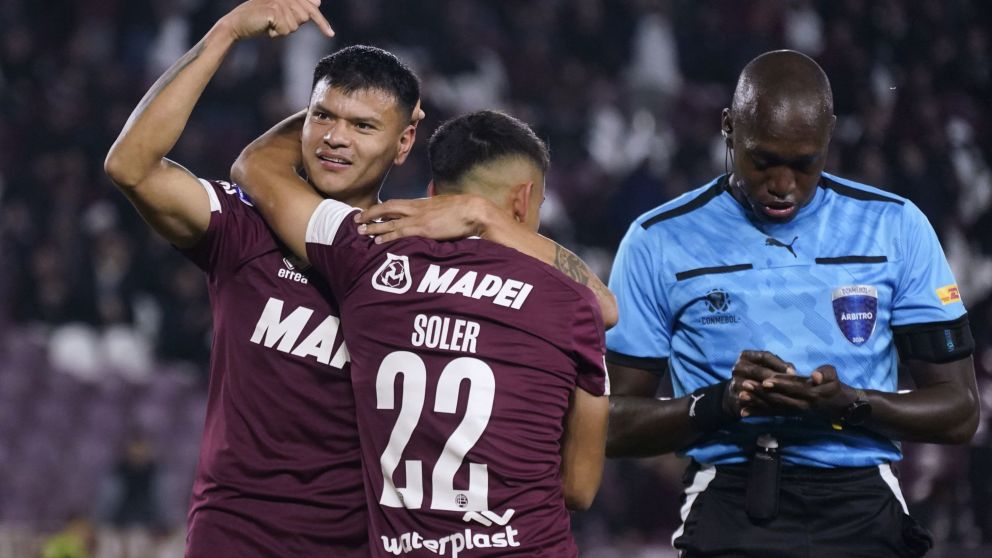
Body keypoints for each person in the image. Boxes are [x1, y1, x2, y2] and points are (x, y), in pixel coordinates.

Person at [105, 2, 614, 555]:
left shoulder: (420, 256)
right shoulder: (242, 226)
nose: (335, 139)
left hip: (363, 543)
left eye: (364, 125)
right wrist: (227, 31)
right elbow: (130, 165)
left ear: (404, 142)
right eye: (323, 117)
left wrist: (484, 216)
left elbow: (592, 304)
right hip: (239, 535)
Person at [605, 49, 979, 557]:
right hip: (729, 500)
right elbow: (611, 423)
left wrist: (852, 404)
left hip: (863, 505)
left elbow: (959, 412)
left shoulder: (896, 226)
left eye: (805, 164)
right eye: (763, 160)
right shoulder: (656, 241)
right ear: (728, 128)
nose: (783, 186)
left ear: (830, 135)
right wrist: (721, 403)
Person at [232, 109, 610, 556]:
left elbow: (254, 166)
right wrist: (486, 218)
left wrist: (341, 115)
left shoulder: (364, 254)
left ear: (432, 195)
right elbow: (579, 489)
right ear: (522, 201)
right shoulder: (570, 303)